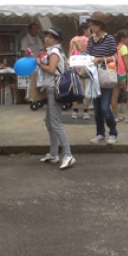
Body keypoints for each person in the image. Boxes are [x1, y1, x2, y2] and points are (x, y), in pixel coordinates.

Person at [36, 27, 75, 169]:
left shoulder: (54, 51)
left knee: (56, 123)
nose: (47, 39)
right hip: (52, 88)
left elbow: (51, 70)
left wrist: (40, 64)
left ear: (57, 40)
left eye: (51, 37)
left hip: (54, 88)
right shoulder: (54, 51)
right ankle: (53, 153)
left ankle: (68, 154)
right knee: (49, 122)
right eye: (46, 36)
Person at [86, 11, 119, 144]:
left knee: (105, 107)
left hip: (106, 77)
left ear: (100, 25)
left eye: (93, 24)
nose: (91, 27)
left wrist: (100, 59)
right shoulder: (90, 40)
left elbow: (116, 57)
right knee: (97, 108)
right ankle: (100, 133)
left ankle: (113, 132)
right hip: (94, 77)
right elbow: (88, 56)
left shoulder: (109, 38)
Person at [112, 30, 128, 123]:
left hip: (116, 74)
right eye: (127, 39)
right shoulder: (124, 47)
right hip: (124, 74)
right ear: (123, 39)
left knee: (115, 95)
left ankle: (115, 116)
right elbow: (126, 61)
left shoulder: (116, 47)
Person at [69, 23, 91, 120]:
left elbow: (70, 53)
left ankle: (75, 111)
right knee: (86, 89)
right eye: (89, 30)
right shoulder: (87, 40)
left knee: (75, 89)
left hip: (74, 66)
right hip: (85, 66)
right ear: (85, 30)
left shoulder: (73, 40)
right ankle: (85, 112)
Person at [20, 22, 45, 105]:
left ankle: (38, 97)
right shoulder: (25, 39)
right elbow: (23, 52)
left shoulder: (38, 39)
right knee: (30, 81)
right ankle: (29, 97)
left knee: (38, 80)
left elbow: (42, 50)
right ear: (29, 30)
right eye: (34, 29)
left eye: (37, 29)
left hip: (39, 62)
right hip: (29, 63)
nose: (36, 31)